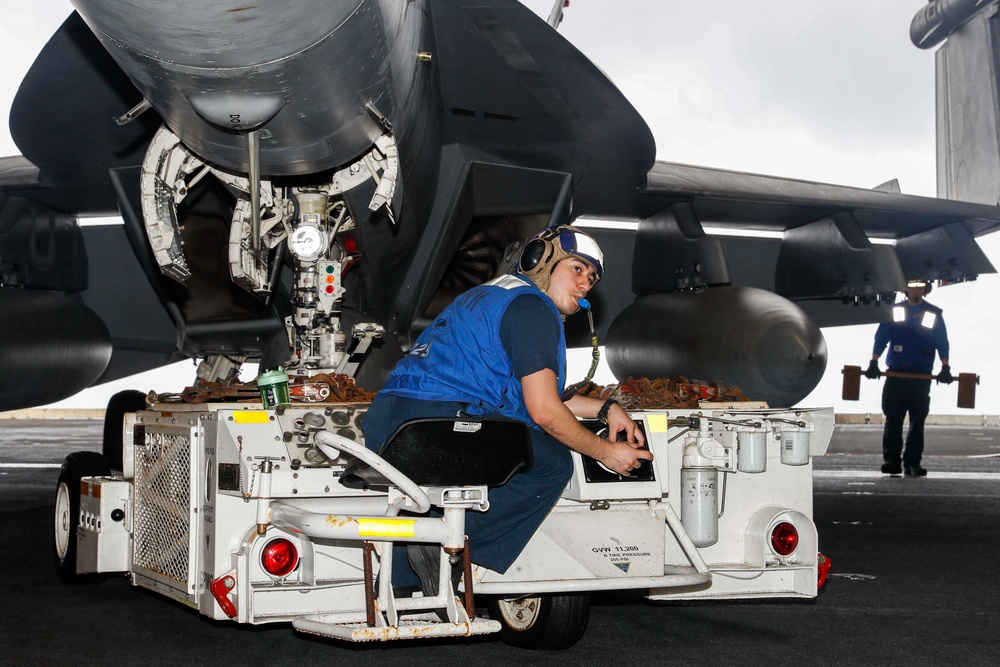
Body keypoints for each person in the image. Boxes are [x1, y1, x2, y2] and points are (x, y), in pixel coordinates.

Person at [362, 224, 651, 592]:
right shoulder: (533, 309)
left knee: (513, 444)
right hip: (435, 425)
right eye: (577, 268)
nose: (584, 285)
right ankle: (447, 547)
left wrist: (605, 409)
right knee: (550, 464)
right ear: (539, 262)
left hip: (391, 421)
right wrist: (606, 452)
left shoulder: (492, 296)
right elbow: (545, 412)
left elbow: (530, 393)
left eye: (591, 278)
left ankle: (406, 581)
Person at [866, 279, 952, 477]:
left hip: (921, 377)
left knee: (917, 421)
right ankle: (892, 461)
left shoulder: (933, 313)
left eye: (919, 288)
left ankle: (912, 463)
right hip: (897, 374)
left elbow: (941, 341)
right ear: (906, 290)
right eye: (912, 288)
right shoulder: (895, 311)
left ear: (925, 290)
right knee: (893, 420)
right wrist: (874, 361)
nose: (916, 291)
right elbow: (882, 337)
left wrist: (945, 366)